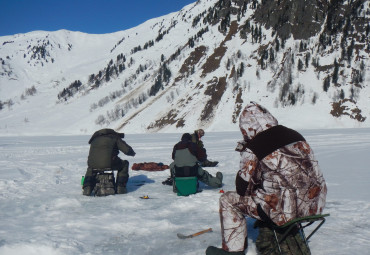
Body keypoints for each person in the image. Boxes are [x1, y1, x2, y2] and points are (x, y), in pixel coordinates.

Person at [206, 102, 327, 255]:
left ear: (246, 127)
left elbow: (242, 189)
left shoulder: (256, 145)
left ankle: (233, 251)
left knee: (228, 200)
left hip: (285, 211)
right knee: (272, 191)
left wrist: (246, 153)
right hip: (315, 204)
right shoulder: (295, 135)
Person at [82, 128, 136, 196]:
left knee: (90, 168)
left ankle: (87, 187)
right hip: (109, 163)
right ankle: (120, 187)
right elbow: (127, 150)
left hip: (92, 164)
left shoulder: (94, 139)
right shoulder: (114, 137)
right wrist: (132, 153)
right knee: (124, 164)